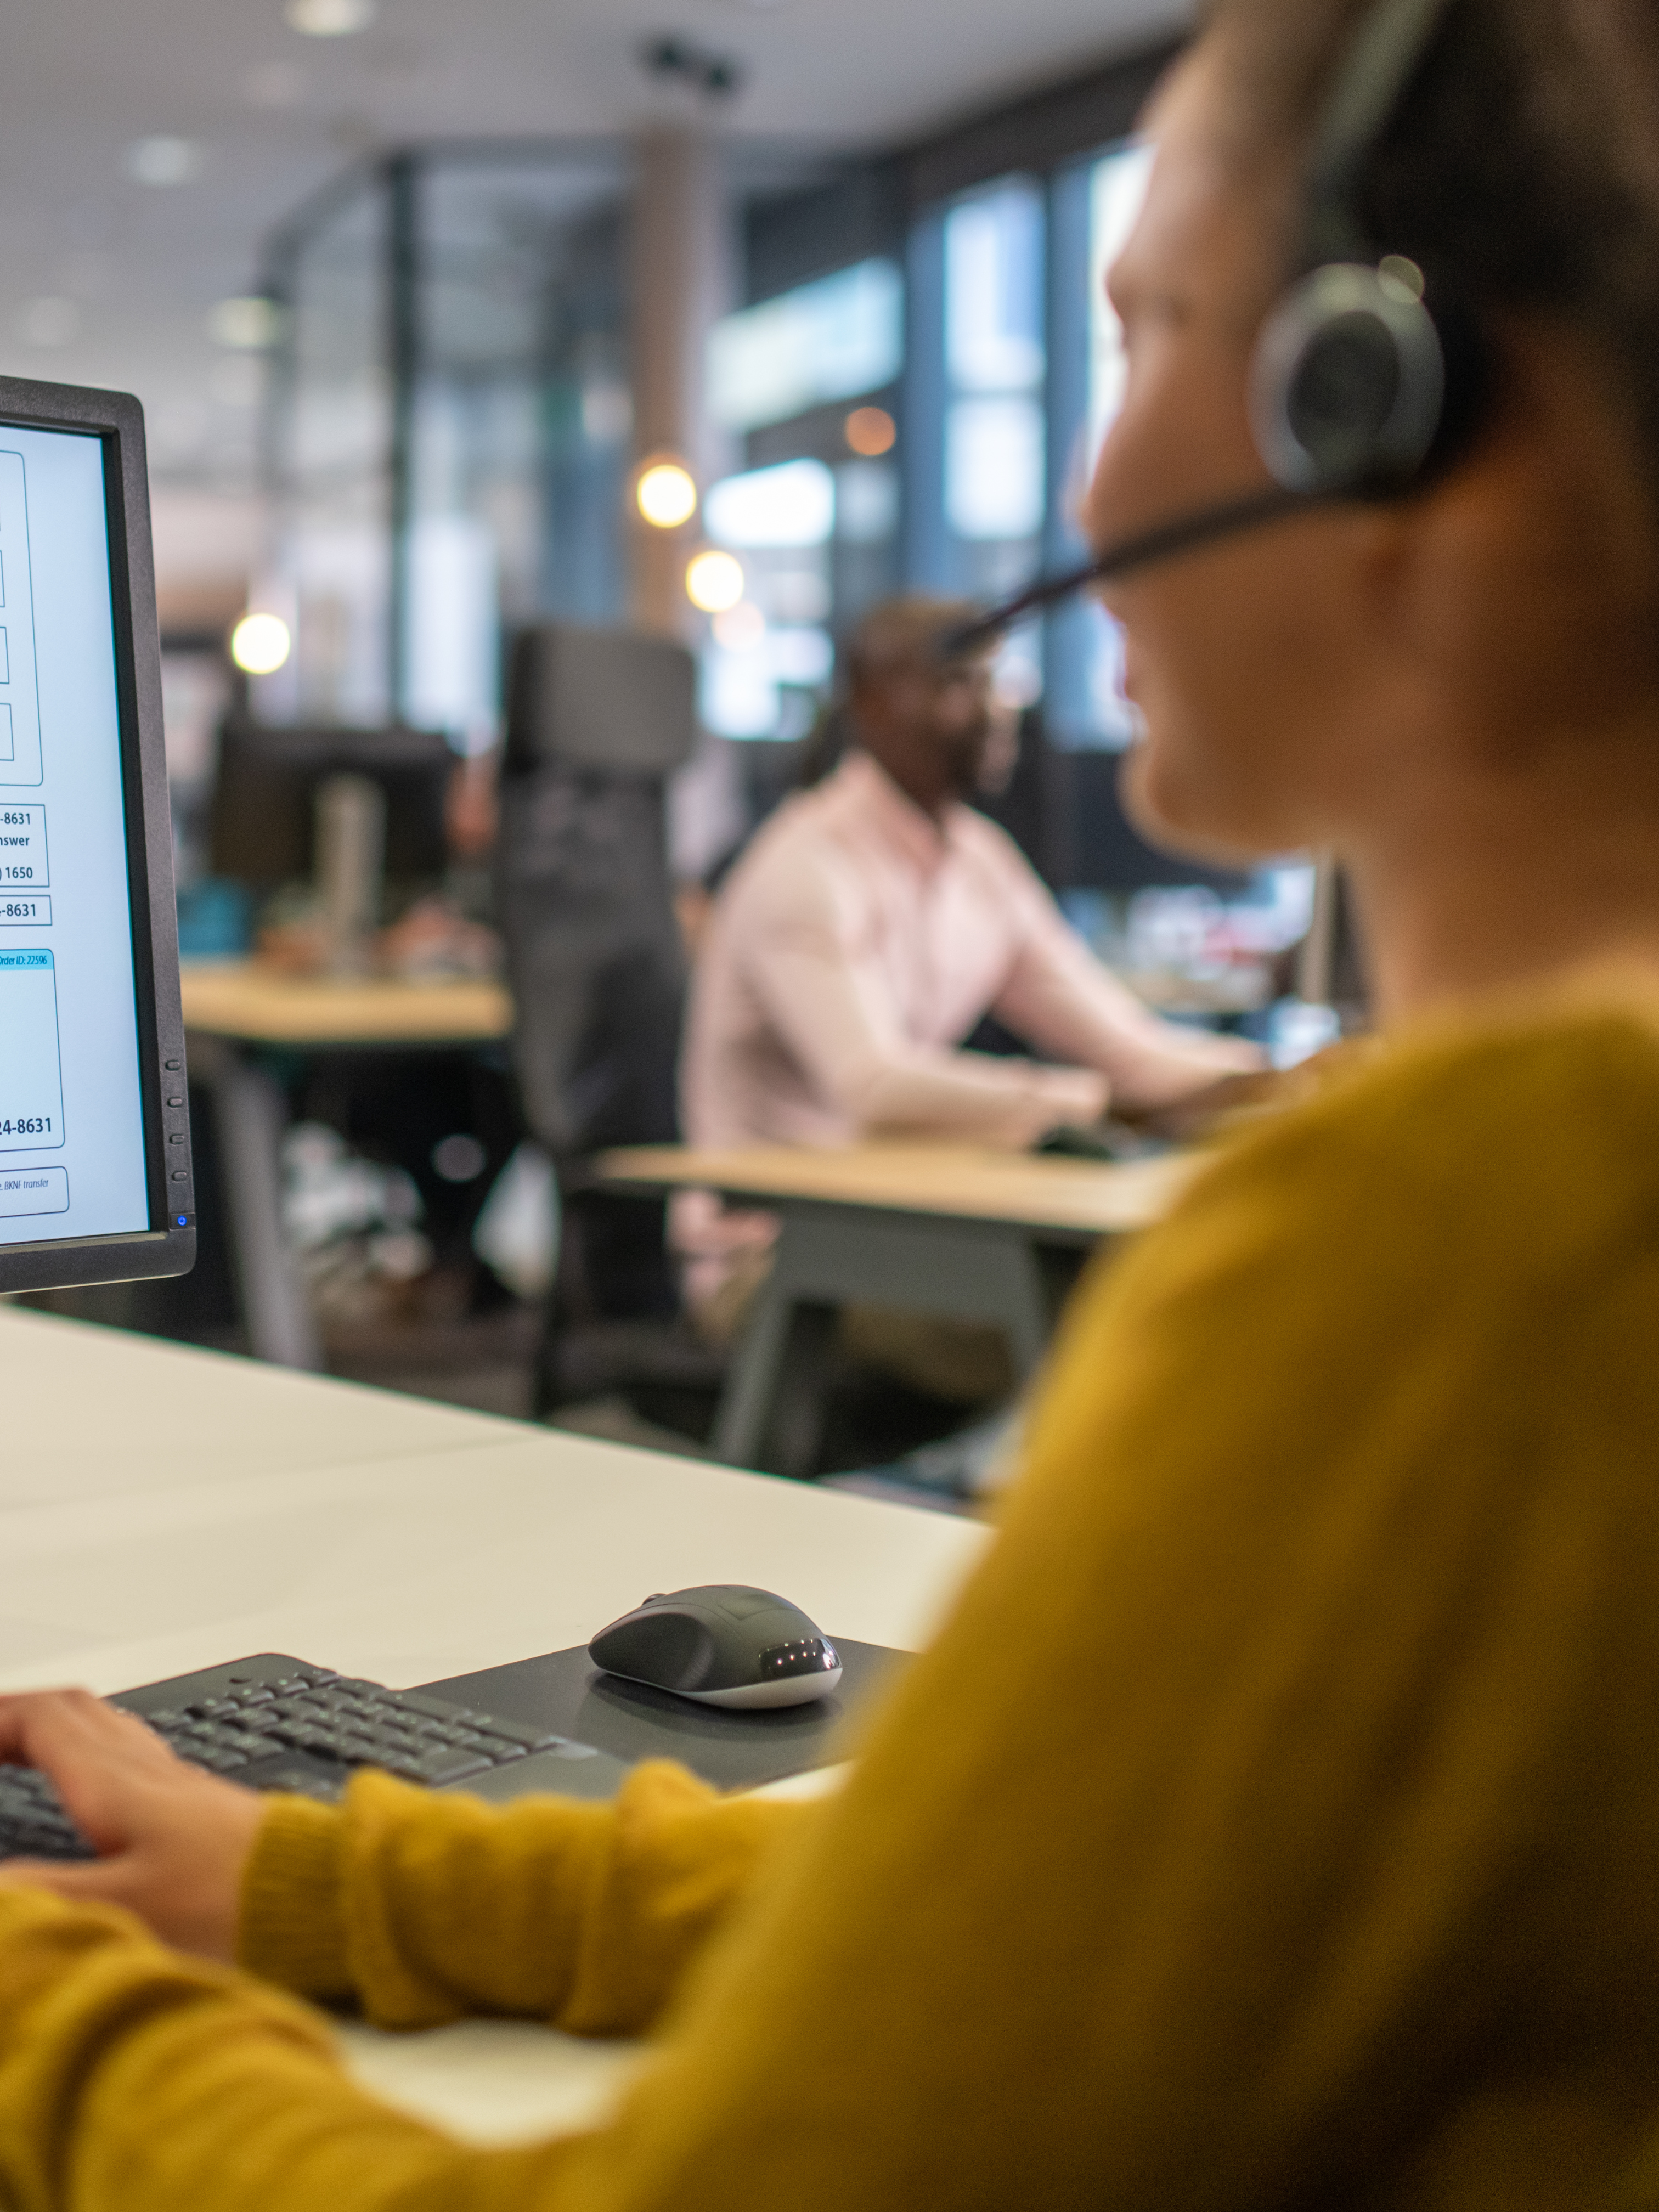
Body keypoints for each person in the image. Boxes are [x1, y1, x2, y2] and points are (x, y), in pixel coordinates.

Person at [7, 0, 1659, 2200]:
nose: (1083, 491)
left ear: (1374, 403)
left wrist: (52, 2011)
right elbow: (1071, 1892)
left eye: (1153, 324)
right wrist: (336, 1890)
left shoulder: (1480, 1237)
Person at [675, 594, 1264, 1346]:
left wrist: (1287, 1079)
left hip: (916, 1227)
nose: (996, 710)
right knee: (1138, 1319)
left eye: (999, 682)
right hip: (776, 1263)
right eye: (961, 685)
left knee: (1199, 1275)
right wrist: (1086, 1104)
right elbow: (873, 1086)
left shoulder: (980, 863)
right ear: (875, 704)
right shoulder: (805, 865)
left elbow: (1134, 1054)